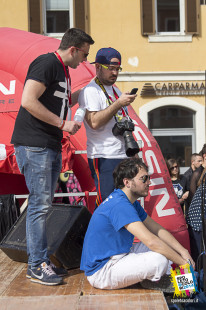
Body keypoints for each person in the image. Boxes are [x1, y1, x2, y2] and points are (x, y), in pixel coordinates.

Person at [11, 28, 94, 286]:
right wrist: (62, 124)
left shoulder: (64, 71)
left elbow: (61, 102)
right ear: (73, 49)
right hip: (35, 144)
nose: (84, 61)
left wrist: (93, 88)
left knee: (43, 206)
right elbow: (28, 100)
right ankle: (36, 265)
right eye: (84, 55)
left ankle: (41, 261)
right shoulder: (47, 63)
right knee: (40, 205)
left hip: (48, 145)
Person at [80, 158, 194, 291]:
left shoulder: (129, 201)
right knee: (159, 260)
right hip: (102, 271)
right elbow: (151, 241)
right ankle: (181, 287)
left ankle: (182, 286)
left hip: (120, 255)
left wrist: (183, 251)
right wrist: (183, 263)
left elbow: (157, 230)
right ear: (127, 182)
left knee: (166, 247)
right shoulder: (120, 204)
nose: (149, 182)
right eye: (144, 178)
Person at [78, 47, 137, 208]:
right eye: (111, 68)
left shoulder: (115, 90)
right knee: (108, 206)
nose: (115, 73)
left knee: (126, 206)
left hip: (123, 155)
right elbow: (94, 122)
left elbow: (123, 121)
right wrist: (118, 104)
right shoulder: (91, 90)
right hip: (104, 156)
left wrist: (134, 153)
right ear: (97, 66)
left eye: (117, 69)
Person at [187, 144, 206, 264]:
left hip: (198, 223)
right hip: (198, 224)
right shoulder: (198, 173)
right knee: (200, 260)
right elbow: (192, 198)